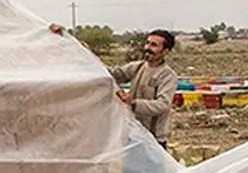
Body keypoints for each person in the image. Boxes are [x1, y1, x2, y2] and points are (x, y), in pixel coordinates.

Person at [49, 24, 179, 150]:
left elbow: (162, 105)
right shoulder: (138, 67)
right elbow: (110, 74)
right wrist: (72, 43)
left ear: (165, 51)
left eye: (154, 45)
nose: (147, 47)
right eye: (148, 43)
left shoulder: (167, 76)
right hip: (134, 135)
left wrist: (132, 103)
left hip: (153, 139)